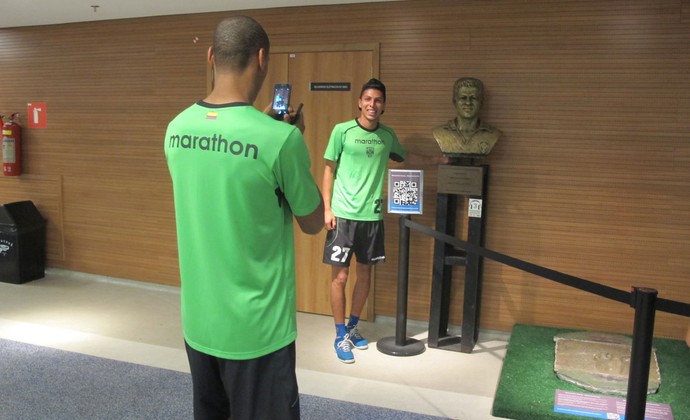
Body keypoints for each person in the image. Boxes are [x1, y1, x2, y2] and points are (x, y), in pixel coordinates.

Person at [164, 15, 324, 419]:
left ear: (210, 56)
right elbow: (312, 220)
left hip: (199, 325)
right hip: (259, 333)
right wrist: (290, 141)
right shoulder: (280, 139)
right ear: (262, 58)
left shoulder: (176, 129)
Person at [322, 78, 446, 363]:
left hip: (372, 217)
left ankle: (353, 327)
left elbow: (405, 156)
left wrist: (436, 160)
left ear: (384, 105)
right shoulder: (342, 131)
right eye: (367, 99)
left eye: (377, 100)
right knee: (340, 277)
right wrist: (327, 209)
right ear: (359, 101)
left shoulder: (387, 136)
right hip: (342, 215)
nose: (372, 104)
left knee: (365, 274)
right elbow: (328, 169)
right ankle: (339, 334)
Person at [432, 77, 502, 156]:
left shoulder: (492, 134)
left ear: (481, 102)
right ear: (454, 101)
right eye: (463, 98)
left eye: (473, 98)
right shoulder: (440, 133)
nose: (468, 103)